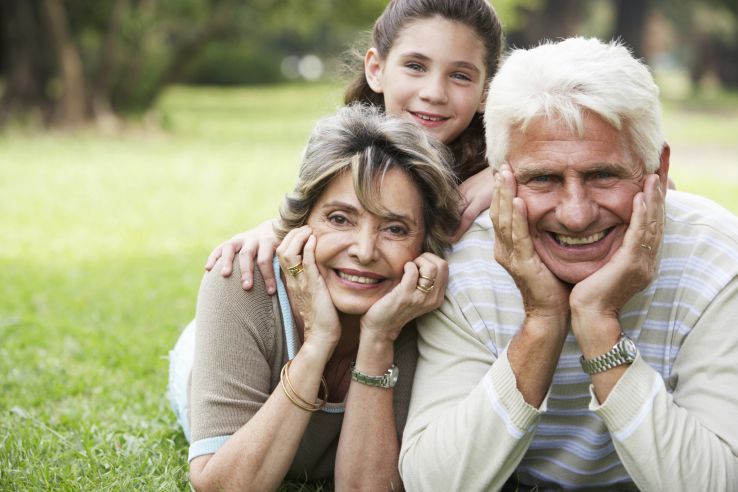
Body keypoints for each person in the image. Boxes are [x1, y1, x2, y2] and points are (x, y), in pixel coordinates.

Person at [399, 37, 738, 490]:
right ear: (501, 180)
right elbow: (433, 482)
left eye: (603, 175)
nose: (576, 214)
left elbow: (719, 481)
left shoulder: (715, 256)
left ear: (656, 169)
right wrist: (542, 322)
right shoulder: (466, 266)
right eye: (544, 179)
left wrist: (598, 322)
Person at [168, 103, 462, 491]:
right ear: (303, 221)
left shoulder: (427, 308)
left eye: (394, 229)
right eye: (340, 219)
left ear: (425, 243)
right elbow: (220, 485)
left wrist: (378, 338)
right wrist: (317, 343)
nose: (364, 250)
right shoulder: (241, 281)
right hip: (213, 352)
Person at [204, 0, 503, 294]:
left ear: (486, 93)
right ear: (376, 69)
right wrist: (275, 230)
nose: (434, 93)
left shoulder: (498, 169)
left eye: (460, 76)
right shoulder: (345, 153)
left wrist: (508, 171)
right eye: (415, 66)